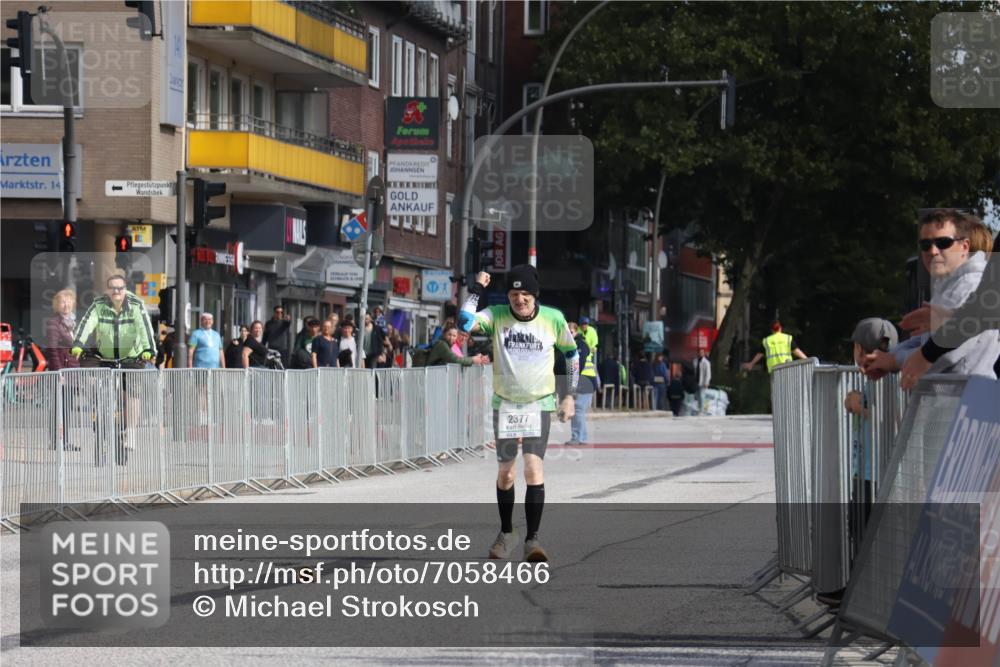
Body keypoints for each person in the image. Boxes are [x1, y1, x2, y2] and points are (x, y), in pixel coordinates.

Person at [459, 265, 578, 563]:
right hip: (507, 405)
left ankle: (532, 540)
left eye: (525, 293)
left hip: (539, 404)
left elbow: (572, 355)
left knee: (533, 470)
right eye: (514, 294)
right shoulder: (497, 315)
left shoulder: (553, 319)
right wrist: (477, 289)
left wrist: (569, 397)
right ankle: (507, 532)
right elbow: (464, 322)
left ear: (534, 295)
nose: (519, 299)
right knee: (506, 473)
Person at [863, 210, 999, 382]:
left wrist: (893, 361)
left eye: (943, 242)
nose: (933, 251)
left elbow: (947, 353)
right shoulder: (948, 284)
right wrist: (883, 359)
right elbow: (923, 341)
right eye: (925, 245)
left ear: (965, 247)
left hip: (967, 399)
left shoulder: (969, 284)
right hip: (951, 399)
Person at [71, 274, 156, 365]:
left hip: (132, 359)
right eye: (112, 288)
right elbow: (86, 323)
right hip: (105, 359)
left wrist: (149, 349)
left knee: (133, 378)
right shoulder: (99, 304)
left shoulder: (136, 305)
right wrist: (78, 344)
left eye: (120, 288)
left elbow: (144, 327)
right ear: (107, 290)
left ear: (125, 289)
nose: (116, 291)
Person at [564, 322, 594, 446]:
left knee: (578, 408)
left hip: (584, 380)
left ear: (576, 332)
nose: (568, 334)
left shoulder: (580, 345)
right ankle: (582, 437)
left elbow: (578, 364)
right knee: (578, 409)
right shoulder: (571, 344)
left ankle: (578, 437)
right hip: (585, 380)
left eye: (570, 332)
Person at [742, 320, 808, 373]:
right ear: (780, 328)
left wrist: (751, 363)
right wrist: (808, 360)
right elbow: (796, 351)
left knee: (777, 389)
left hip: (774, 370)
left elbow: (760, 353)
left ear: (771, 330)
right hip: (787, 368)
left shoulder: (767, 341)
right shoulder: (787, 338)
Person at [46, 289, 79, 372]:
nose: (66, 305)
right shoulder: (54, 323)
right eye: (63, 302)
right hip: (63, 370)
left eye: (69, 301)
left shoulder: (74, 323)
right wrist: (58, 371)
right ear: (57, 305)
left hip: (74, 368)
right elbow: (52, 350)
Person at [579, 316, 599, 392]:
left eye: (586, 324)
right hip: (581, 356)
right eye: (583, 324)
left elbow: (594, 345)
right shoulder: (577, 330)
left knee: (593, 373)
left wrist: (590, 350)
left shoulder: (592, 331)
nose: (584, 325)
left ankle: (597, 386)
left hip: (589, 357)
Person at [696, 349, 712, 416]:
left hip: (703, 382)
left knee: (702, 396)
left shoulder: (706, 362)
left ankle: (702, 410)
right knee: (698, 396)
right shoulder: (697, 361)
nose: (700, 354)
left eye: (701, 353)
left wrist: (706, 382)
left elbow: (708, 373)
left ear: (703, 353)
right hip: (697, 381)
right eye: (699, 352)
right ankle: (700, 409)